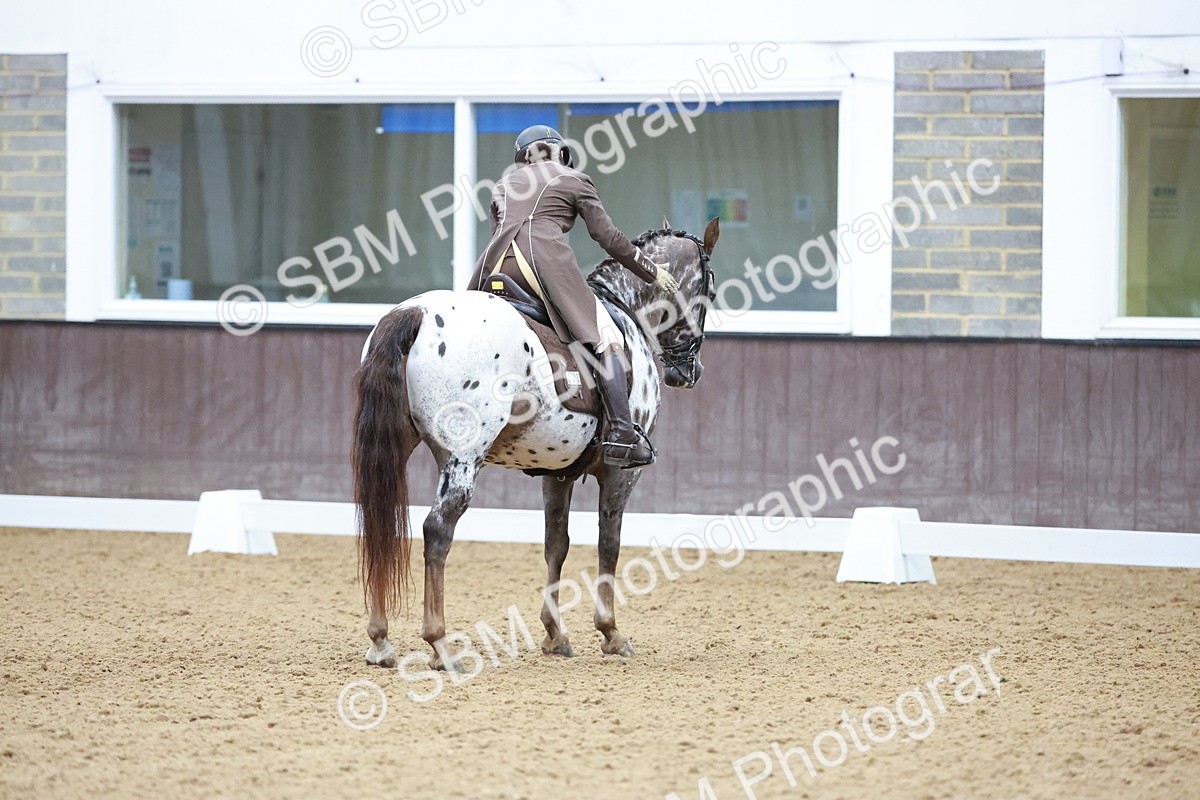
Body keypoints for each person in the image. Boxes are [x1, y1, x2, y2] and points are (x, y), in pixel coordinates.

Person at [469, 125, 678, 469]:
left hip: (496, 269)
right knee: (605, 336)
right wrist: (650, 270)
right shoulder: (574, 179)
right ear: (559, 152)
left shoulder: (503, 185)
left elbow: (498, 231)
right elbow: (608, 237)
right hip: (544, 266)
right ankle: (622, 434)